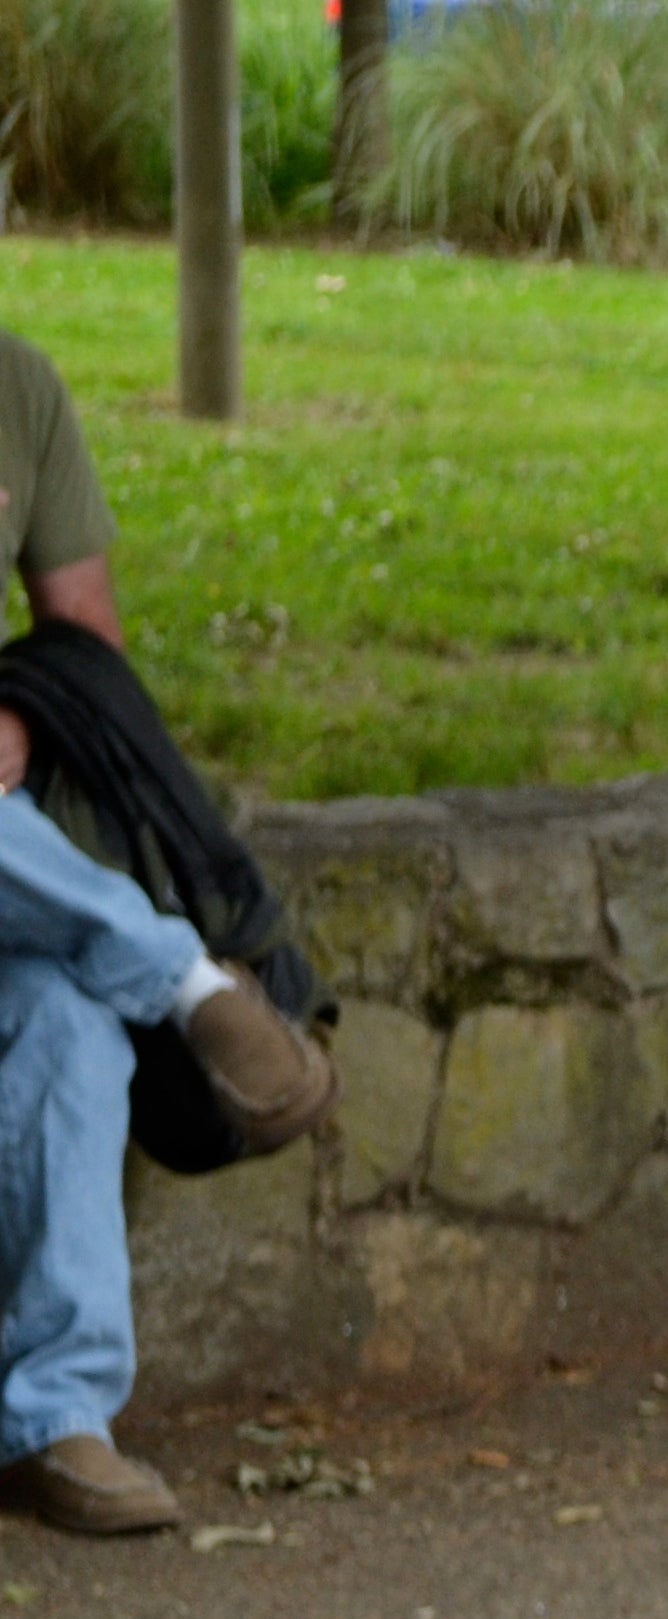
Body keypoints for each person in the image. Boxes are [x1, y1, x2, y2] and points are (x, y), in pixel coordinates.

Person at [0, 331, 336, 1538]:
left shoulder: (18, 386)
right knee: (99, 984)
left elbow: (84, 639)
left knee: (62, 1017)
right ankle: (187, 978)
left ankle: (56, 1419)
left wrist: (25, 718)